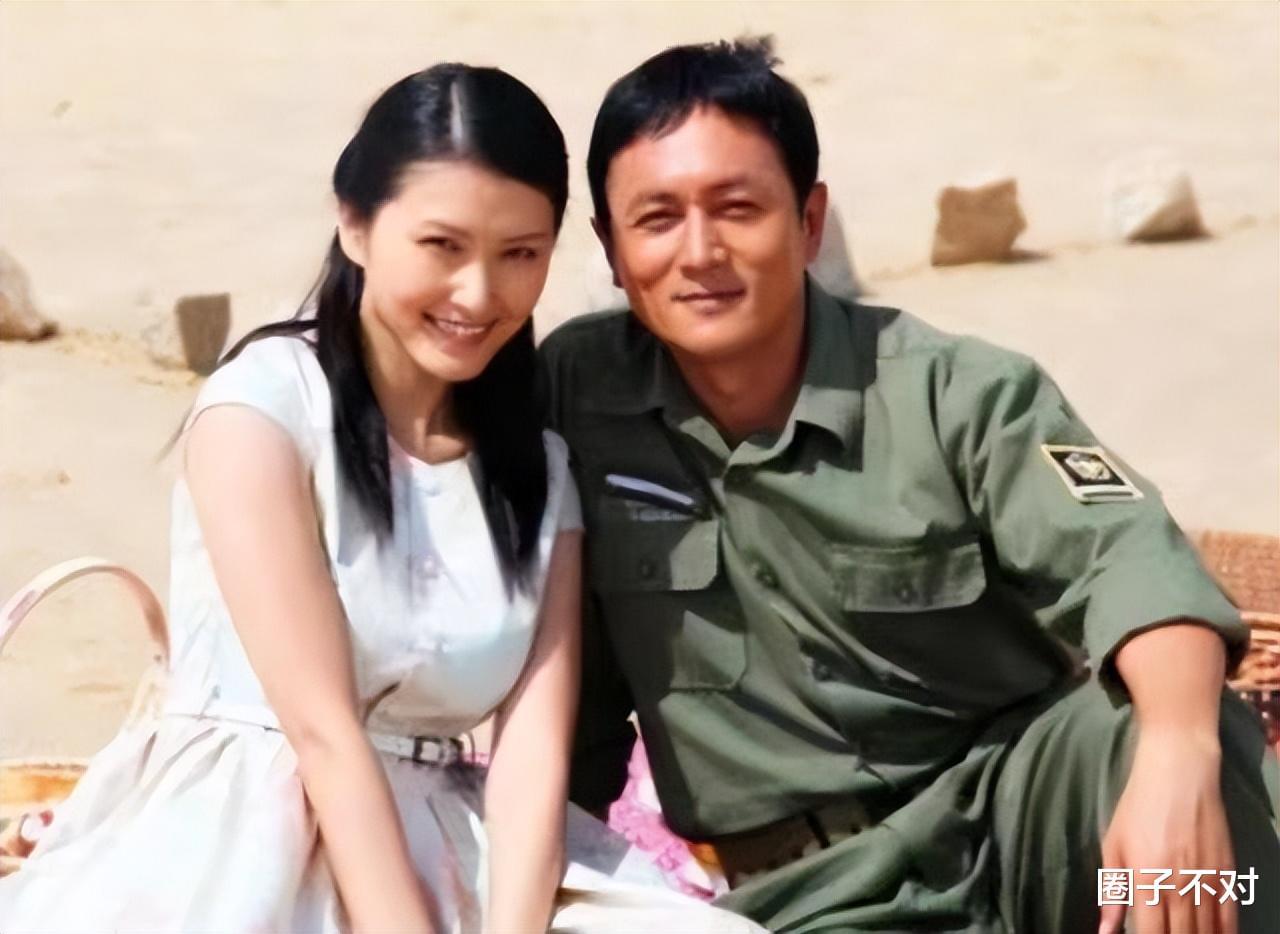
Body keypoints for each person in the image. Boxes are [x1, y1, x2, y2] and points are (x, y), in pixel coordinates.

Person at [0, 64, 762, 933]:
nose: (479, 294)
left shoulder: (537, 469)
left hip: (459, 841)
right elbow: (323, 735)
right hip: (241, 833)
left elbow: (530, 759)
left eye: (521, 254)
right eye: (442, 246)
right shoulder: (263, 411)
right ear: (354, 224)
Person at [540, 38, 1280, 933]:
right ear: (611, 248)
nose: (700, 252)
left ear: (809, 222)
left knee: (1183, 769)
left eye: (738, 208)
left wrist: (1177, 751)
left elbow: (1131, 560)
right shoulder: (574, 399)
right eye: (657, 219)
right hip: (816, 897)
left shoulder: (956, 394)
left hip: (1039, 849)